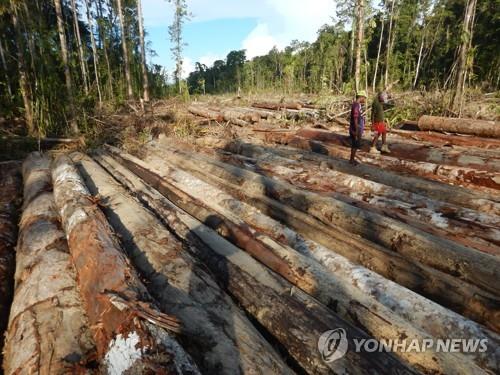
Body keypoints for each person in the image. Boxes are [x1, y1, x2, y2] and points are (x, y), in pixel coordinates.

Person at [349, 91, 367, 165]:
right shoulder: (356, 105)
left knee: (355, 145)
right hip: (355, 128)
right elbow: (355, 117)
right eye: (364, 98)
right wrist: (356, 129)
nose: (365, 100)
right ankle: (351, 160)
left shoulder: (357, 105)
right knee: (354, 144)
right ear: (361, 97)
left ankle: (352, 159)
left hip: (357, 127)